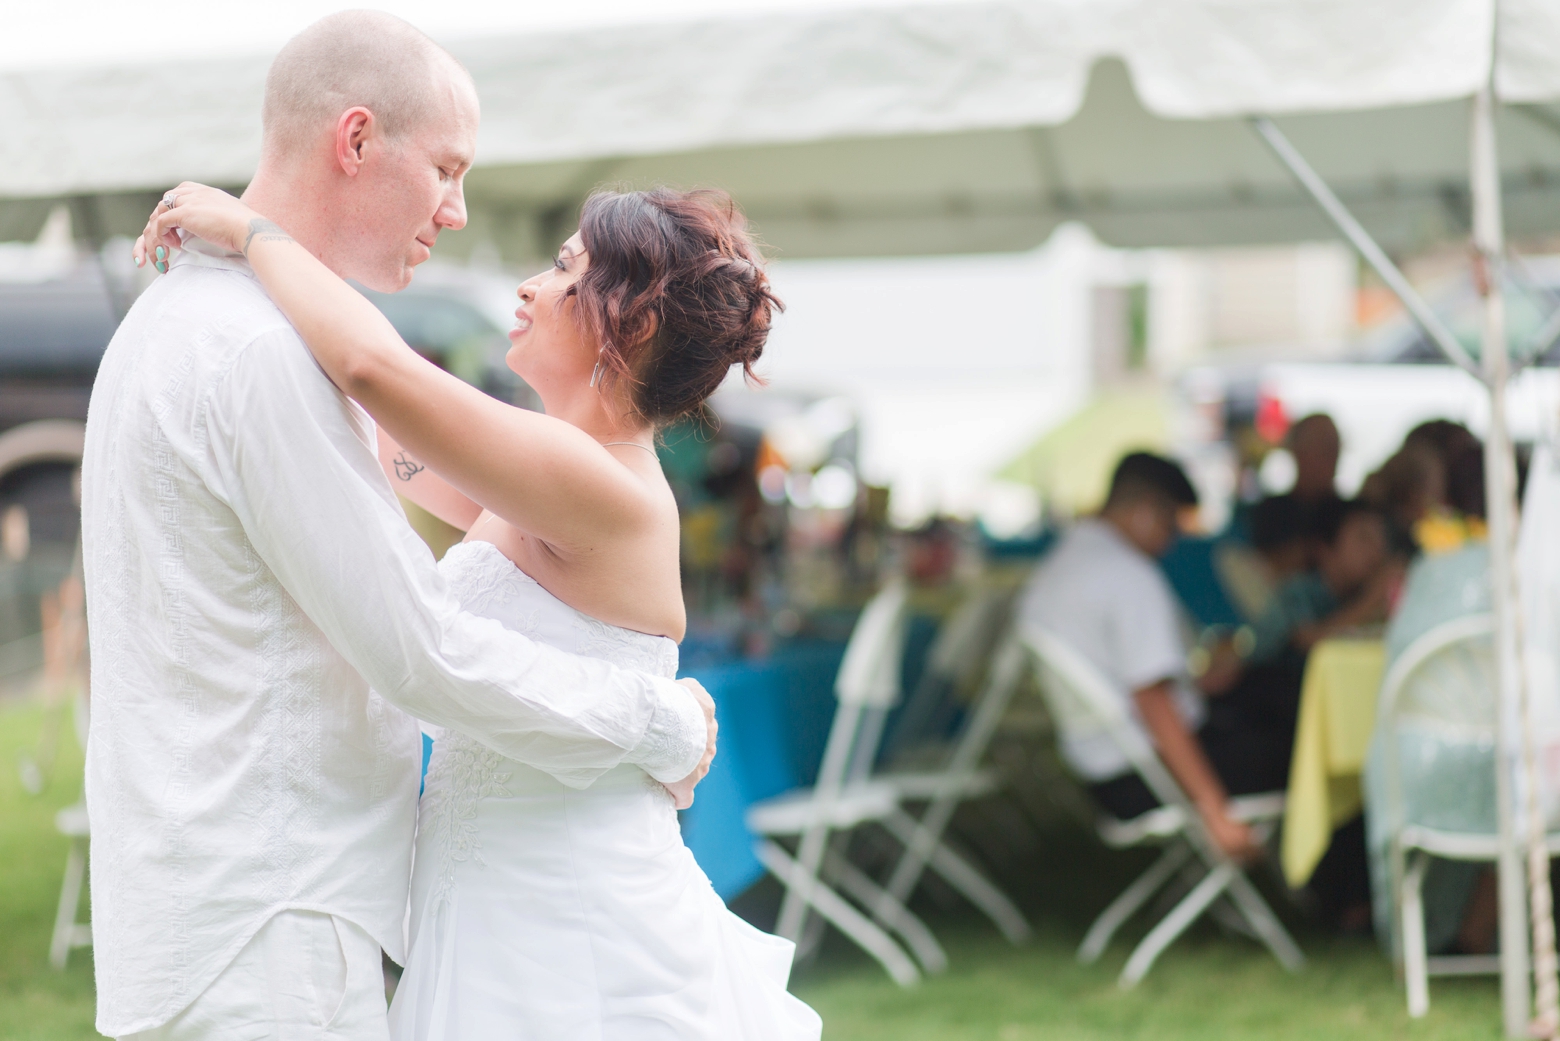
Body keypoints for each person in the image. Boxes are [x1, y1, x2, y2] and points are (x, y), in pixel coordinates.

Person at [133, 41, 822, 1041]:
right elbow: (381, 440)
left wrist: (254, 230)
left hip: (567, 919)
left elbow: (374, 369)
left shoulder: (596, 481)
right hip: (494, 898)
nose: (529, 288)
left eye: (563, 270)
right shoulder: (550, 470)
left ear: (620, 326)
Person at [1017, 452, 1262, 860]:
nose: (1173, 541)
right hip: (1147, 775)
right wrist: (1215, 810)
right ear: (1146, 512)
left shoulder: (1063, 562)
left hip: (1102, 771)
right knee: (1292, 736)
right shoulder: (1128, 575)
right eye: (1171, 525)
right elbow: (1155, 703)